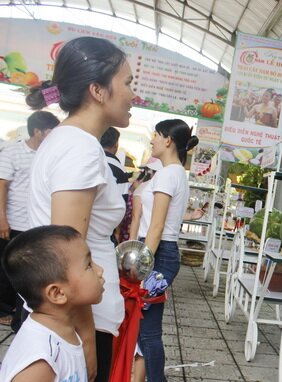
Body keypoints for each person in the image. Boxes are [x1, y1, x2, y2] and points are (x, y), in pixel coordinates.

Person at [25, 36, 135, 382]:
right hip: (79, 322)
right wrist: (87, 342)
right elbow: (67, 256)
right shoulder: (80, 148)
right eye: (128, 83)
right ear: (98, 91)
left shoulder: (67, 140)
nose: (134, 94)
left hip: (74, 318)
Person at [136, 119, 198, 381]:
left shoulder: (168, 174)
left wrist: (140, 264)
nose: (152, 140)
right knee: (145, 328)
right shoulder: (174, 173)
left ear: (168, 140)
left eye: (156, 135)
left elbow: (156, 227)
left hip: (158, 255)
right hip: (160, 254)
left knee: (147, 331)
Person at [0, 225, 104, 382]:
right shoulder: (40, 362)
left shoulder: (63, 330)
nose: (100, 270)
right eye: (89, 265)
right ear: (57, 293)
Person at [0, 111, 58, 331]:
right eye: (51, 131)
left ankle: (17, 314)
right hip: (12, 222)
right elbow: (2, 186)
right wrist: (2, 219)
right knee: (6, 269)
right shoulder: (12, 151)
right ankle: (3, 310)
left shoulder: (48, 154)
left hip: (35, 225)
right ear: (38, 131)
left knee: (27, 272)